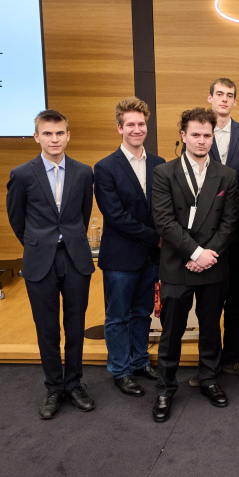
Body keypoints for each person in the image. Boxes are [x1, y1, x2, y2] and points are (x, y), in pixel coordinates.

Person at [150, 108, 239, 423]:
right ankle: (164, 389)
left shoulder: (226, 175)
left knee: (211, 328)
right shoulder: (164, 173)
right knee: (171, 332)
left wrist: (208, 254)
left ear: (213, 137)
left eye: (207, 135)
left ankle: (209, 379)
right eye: (195, 134)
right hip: (177, 264)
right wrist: (194, 253)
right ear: (183, 136)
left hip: (213, 265)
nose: (201, 140)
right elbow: (163, 220)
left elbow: (230, 223)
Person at [6, 109, 96, 419]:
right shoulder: (22, 174)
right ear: (37, 137)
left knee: (75, 326)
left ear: (68, 135)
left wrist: (68, 238)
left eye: (59, 133)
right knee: (47, 329)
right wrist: (38, 242)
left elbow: (83, 216)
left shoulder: (84, 173)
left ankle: (74, 384)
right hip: (39, 260)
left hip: (74, 258)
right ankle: (53, 388)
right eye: (47, 133)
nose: (54, 138)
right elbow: (17, 219)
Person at [188, 77, 239, 383]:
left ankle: (233, 358)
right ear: (210, 98)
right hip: (205, 238)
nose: (223, 99)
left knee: (236, 301)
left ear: (235, 102)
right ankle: (210, 365)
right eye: (219, 94)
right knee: (208, 305)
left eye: (229, 95)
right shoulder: (199, 134)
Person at [94, 97, 165, 397]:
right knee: (118, 316)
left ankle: (139, 361)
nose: (137, 130)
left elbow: (163, 210)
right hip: (120, 259)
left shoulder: (160, 164)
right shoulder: (106, 167)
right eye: (130, 125)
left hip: (151, 258)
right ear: (120, 128)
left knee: (142, 313)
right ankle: (120, 370)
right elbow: (116, 216)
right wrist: (157, 237)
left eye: (141, 124)